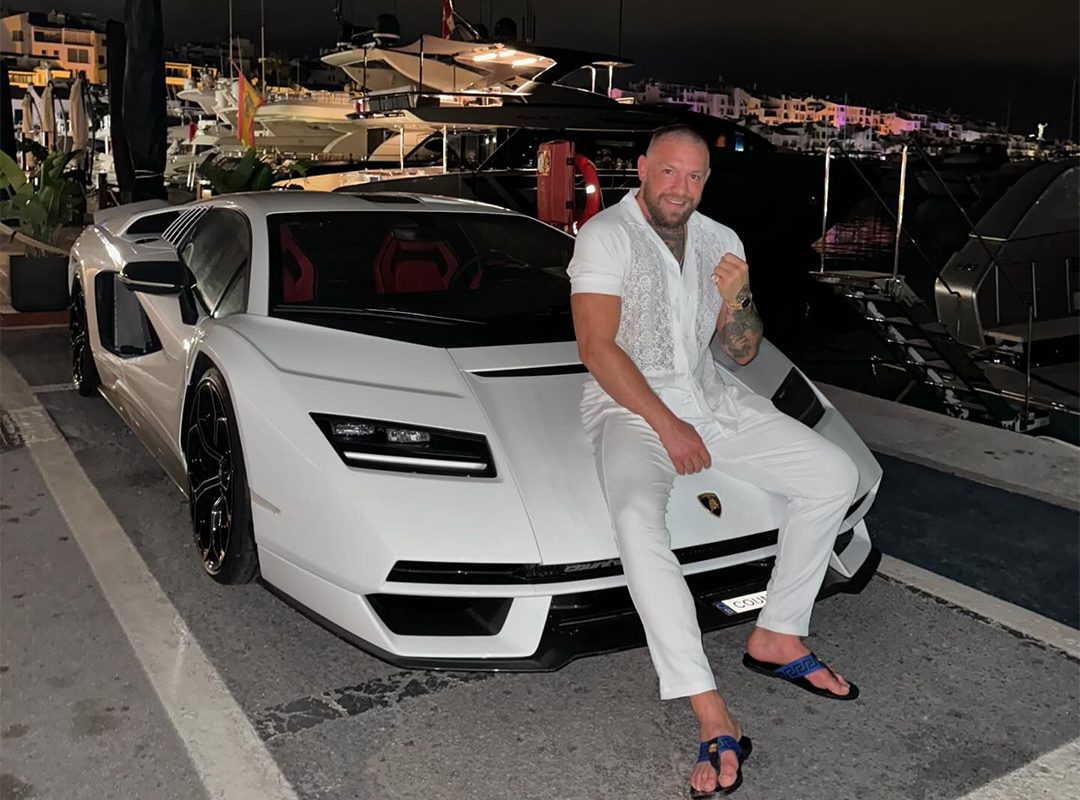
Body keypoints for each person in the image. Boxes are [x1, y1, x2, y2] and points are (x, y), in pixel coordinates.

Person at [568, 124, 861, 797]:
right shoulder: (606, 236)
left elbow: (744, 350)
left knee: (833, 475)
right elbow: (596, 348)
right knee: (640, 521)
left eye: (695, 176)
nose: (681, 187)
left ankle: (779, 635)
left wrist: (741, 296)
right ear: (642, 168)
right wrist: (667, 426)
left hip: (712, 396)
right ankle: (709, 708)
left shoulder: (721, 241)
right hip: (629, 407)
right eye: (669, 171)